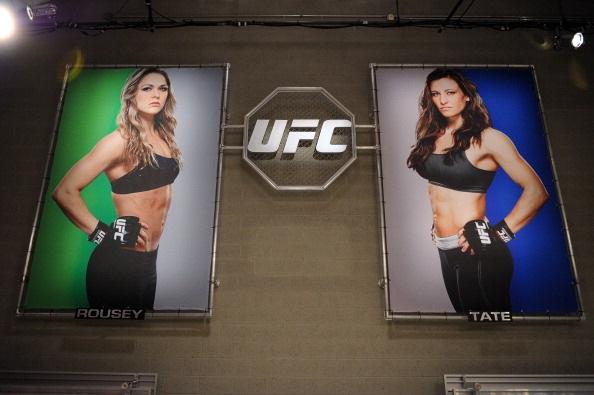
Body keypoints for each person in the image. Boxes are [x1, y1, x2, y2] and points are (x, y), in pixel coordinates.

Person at [406, 68, 548, 312]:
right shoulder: (430, 134)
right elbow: (441, 189)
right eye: (436, 94)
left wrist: (496, 235)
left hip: (476, 252)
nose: (442, 100)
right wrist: (439, 223)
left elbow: (537, 191)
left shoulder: (489, 138)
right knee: (468, 328)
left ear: (467, 96)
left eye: (450, 92)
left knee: (493, 335)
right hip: (445, 248)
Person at [52, 68, 181, 310]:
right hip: (118, 262)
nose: (157, 95)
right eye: (147, 88)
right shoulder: (119, 141)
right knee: (107, 343)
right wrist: (104, 234)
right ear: (132, 94)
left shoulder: (164, 137)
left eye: (162, 89)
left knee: (140, 339)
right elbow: (64, 191)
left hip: (148, 261)